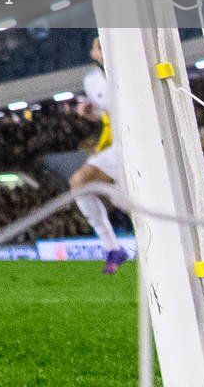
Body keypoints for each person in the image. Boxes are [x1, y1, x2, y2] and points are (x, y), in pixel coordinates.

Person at [70, 36, 128, 275]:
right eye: (98, 46)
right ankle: (113, 248)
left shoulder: (130, 68)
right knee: (79, 182)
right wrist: (89, 112)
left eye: (106, 44)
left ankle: (119, 198)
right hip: (121, 146)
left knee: (135, 203)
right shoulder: (92, 81)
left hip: (145, 141)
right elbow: (105, 115)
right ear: (93, 54)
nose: (102, 50)